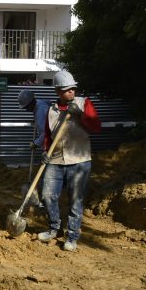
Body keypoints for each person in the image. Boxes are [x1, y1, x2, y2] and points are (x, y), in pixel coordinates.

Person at [37, 71, 101, 252]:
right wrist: (45, 151)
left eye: (73, 88)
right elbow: (48, 136)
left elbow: (96, 127)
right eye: (67, 89)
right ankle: (53, 228)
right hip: (55, 160)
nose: (71, 92)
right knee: (48, 195)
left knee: (75, 200)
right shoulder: (51, 110)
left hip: (79, 160)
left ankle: (72, 236)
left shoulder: (83, 103)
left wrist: (80, 115)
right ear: (58, 91)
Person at [18, 89, 50, 209]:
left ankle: (40, 201)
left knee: (46, 173)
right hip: (52, 144)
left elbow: (45, 133)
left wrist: (35, 143)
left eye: (26, 107)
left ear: (31, 102)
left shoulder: (40, 111)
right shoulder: (40, 104)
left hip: (51, 146)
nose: (26, 109)